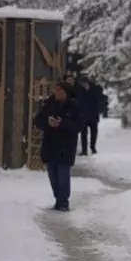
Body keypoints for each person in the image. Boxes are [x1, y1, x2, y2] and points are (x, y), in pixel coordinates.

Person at [33, 82, 82, 211]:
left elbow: (78, 126)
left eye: (60, 90)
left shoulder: (74, 106)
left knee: (63, 176)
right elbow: (38, 121)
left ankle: (63, 201)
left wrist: (62, 123)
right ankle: (58, 198)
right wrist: (48, 123)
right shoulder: (49, 104)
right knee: (53, 176)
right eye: (56, 89)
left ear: (66, 92)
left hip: (66, 146)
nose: (57, 92)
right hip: (50, 145)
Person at [76, 76, 107, 155]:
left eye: (85, 83)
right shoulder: (79, 90)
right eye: (82, 83)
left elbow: (100, 98)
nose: (83, 84)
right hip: (83, 115)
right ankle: (84, 150)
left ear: (88, 82)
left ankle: (93, 147)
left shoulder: (94, 88)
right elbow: (78, 100)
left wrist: (100, 110)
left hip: (93, 114)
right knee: (83, 134)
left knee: (94, 132)